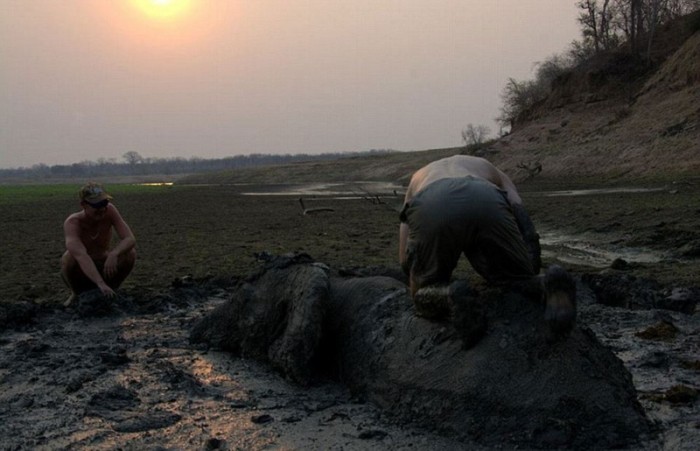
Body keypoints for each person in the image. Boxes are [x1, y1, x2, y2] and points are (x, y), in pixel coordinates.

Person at [399, 155, 575, 333]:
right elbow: (520, 212)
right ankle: (548, 283)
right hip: (484, 194)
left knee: (421, 295)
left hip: (433, 201)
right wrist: (529, 266)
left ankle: (450, 296)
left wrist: (419, 276)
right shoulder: (486, 167)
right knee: (513, 279)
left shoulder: (418, 176)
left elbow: (404, 256)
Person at [61, 182, 137, 307]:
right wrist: (100, 283)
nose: (102, 209)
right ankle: (75, 294)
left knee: (130, 252)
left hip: (104, 262)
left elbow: (129, 238)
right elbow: (81, 256)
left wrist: (114, 254)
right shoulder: (73, 222)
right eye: (97, 205)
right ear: (84, 205)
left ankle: (113, 289)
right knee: (68, 257)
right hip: (83, 267)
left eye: (104, 203)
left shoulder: (110, 210)